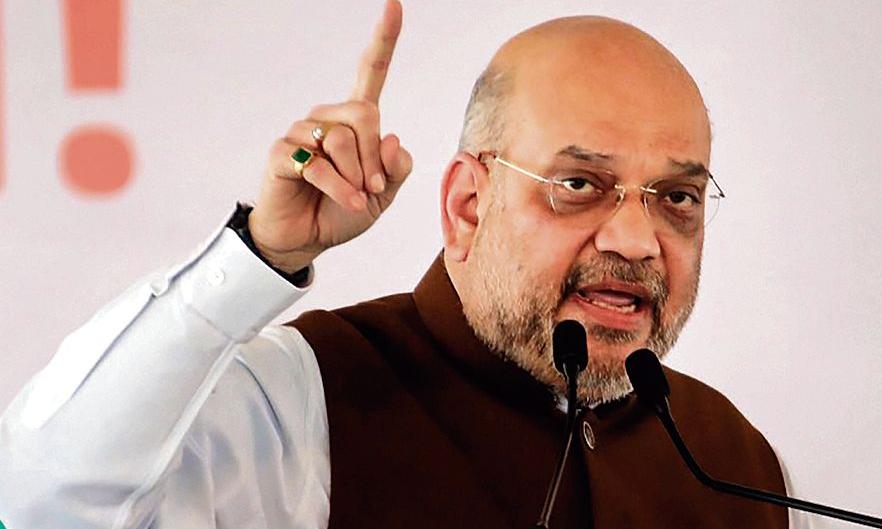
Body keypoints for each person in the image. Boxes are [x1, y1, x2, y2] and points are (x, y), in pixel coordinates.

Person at [0, 2, 812, 528]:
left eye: (677, 197)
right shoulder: (300, 405)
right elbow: (39, 503)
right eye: (577, 184)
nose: (636, 240)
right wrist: (259, 256)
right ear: (468, 205)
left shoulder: (743, 468)